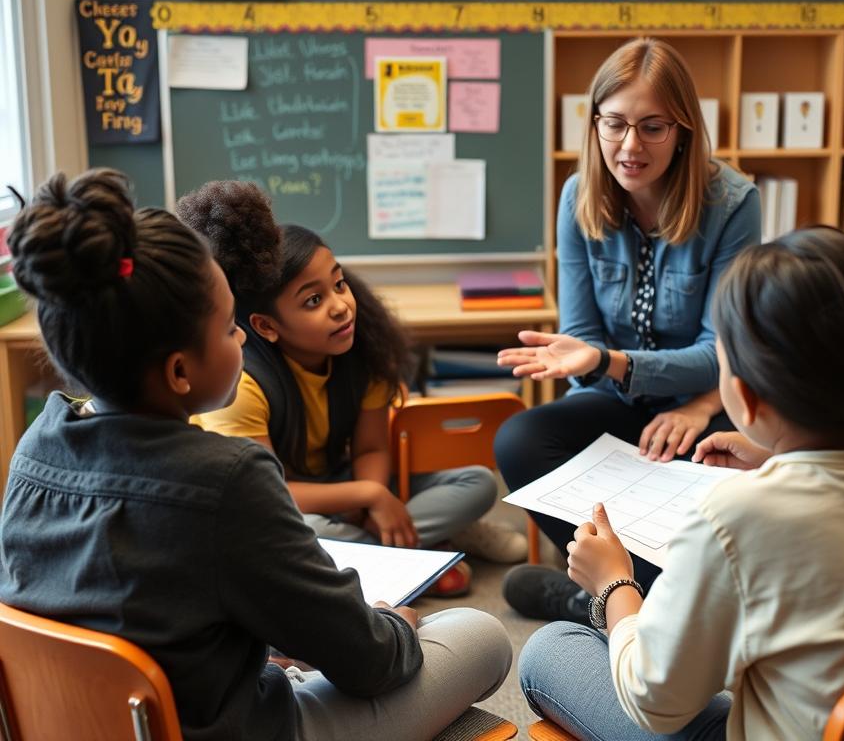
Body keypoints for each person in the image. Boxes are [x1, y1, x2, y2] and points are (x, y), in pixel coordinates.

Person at [0, 168, 512, 741]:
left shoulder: (34, 448)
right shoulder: (226, 479)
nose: (242, 338)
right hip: (234, 729)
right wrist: (395, 624)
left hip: (77, 724)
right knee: (481, 636)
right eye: (228, 328)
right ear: (179, 371)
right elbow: (370, 664)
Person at [517, 228, 844, 741]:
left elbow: (653, 703)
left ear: (744, 396)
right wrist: (777, 462)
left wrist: (615, 585)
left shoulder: (733, 518)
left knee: (549, 649)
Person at [497, 37, 760, 621]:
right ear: (593, 124)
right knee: (519, 439)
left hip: (703, 402)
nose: (629, 146)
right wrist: (599, 367)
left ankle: (600, 602)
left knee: (729, 473)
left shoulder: (733, 203)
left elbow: (723, 348)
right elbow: (581, 337)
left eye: (652, 127)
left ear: (684, 129)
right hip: (614, 399)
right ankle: (630, 598)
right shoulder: (577, 196)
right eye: (613, 124)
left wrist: (678, 396)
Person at [178, 181, 528, 594]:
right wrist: (370, 497)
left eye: (339, 284)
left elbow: (371, 449)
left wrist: (371, 500)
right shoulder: (243, 384)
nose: (340, 305)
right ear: (267, 327)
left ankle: (390, 557)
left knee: (478, 482)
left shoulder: (364, 347)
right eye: (313, 301)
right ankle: (421, 556)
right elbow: (267, 494)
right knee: (297, 532)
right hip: (284, 503)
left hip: (341, 484)